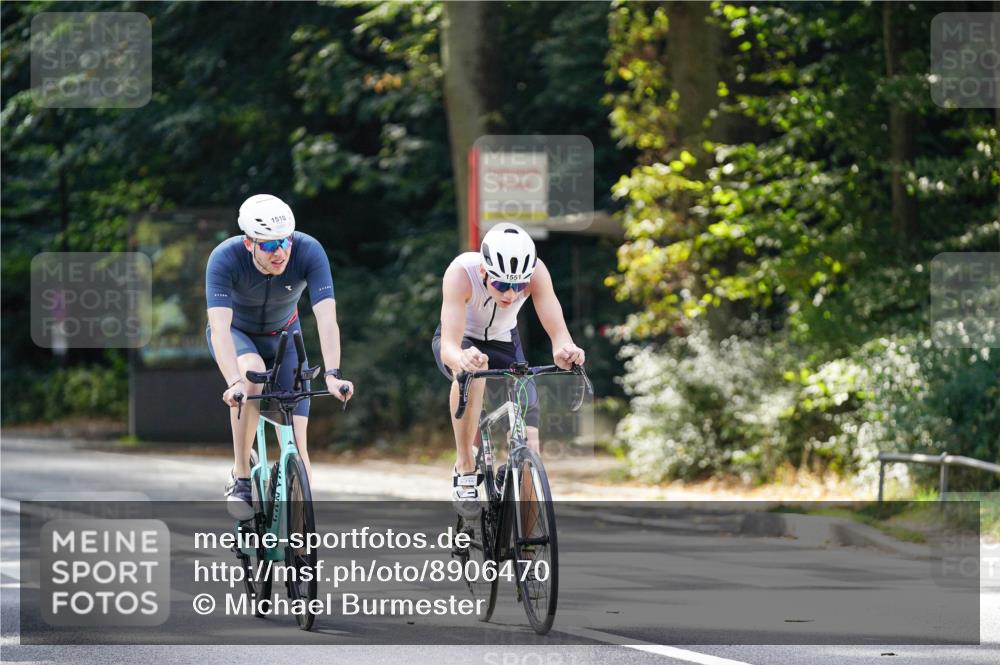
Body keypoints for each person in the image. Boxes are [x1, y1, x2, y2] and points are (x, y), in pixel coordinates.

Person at [205, 194, 354, 519]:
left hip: (284, 338)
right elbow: (219, 329)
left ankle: (300, 541)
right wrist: (233, 382)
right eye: (270, 245)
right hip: (237, 335)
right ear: (249, 244)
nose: (281, 252)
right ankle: (242, 475)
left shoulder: (309, 251)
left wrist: (332, 373)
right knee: (251, 374)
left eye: (285, 242)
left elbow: (327, 318)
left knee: (299, 450)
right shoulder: (224, 258)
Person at [432, 222, 585, 516]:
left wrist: (566, 350)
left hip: (505, 342)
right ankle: (465, 467)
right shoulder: (461, 273)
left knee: (530, 444)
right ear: (483, 272)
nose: (511, 295)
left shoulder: (537, 273)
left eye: (519, 286)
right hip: (462, 338)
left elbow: (559, 334)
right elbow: (449, 346)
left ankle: (527, 551)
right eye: (502, 285)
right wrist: (461, 360)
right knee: (474, 372)